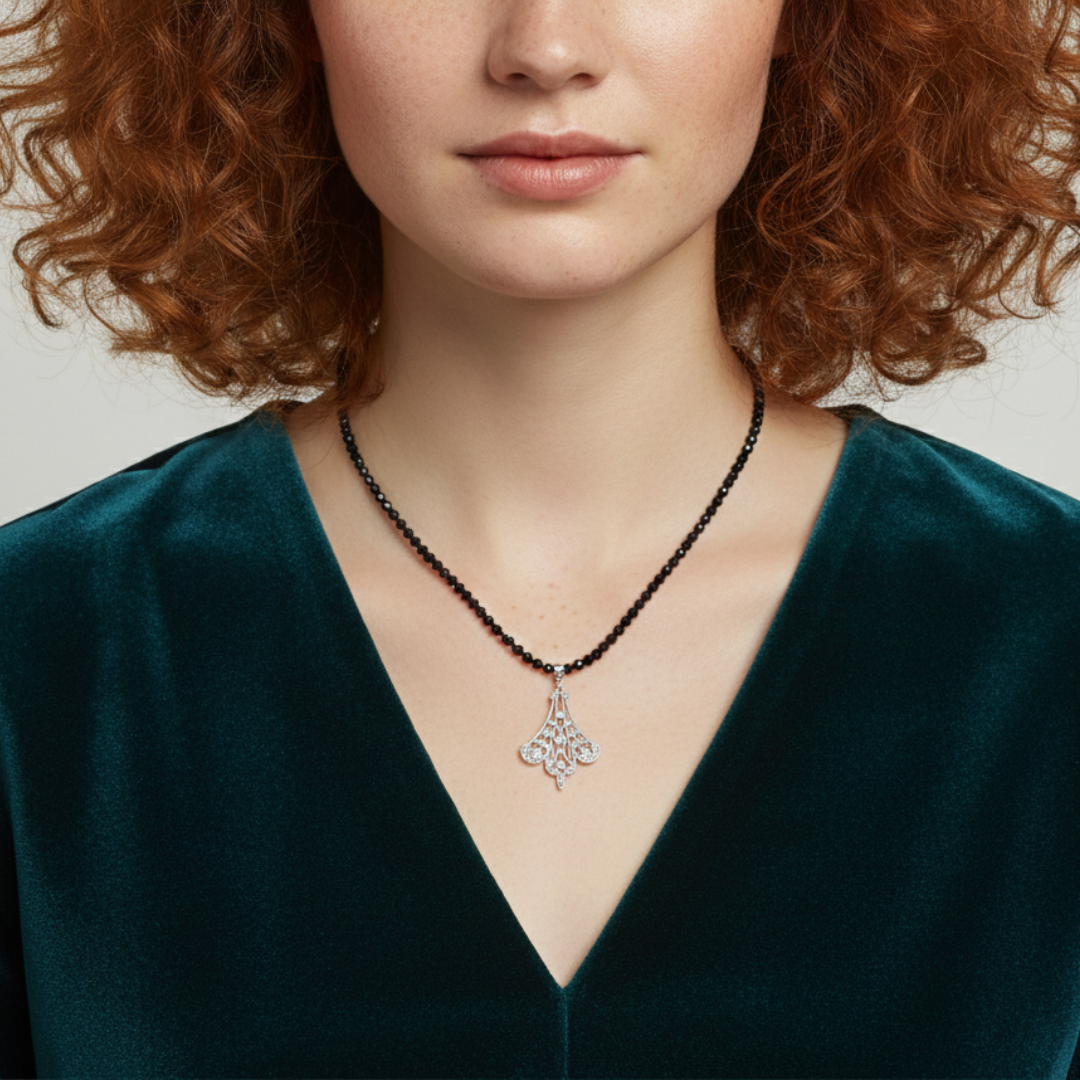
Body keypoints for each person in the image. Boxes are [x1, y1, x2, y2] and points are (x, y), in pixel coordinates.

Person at [1, 0, 1079, 1075]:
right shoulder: (42, 656)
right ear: (282, 15)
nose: (545, 49)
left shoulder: (1049, 635)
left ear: (811, 15)